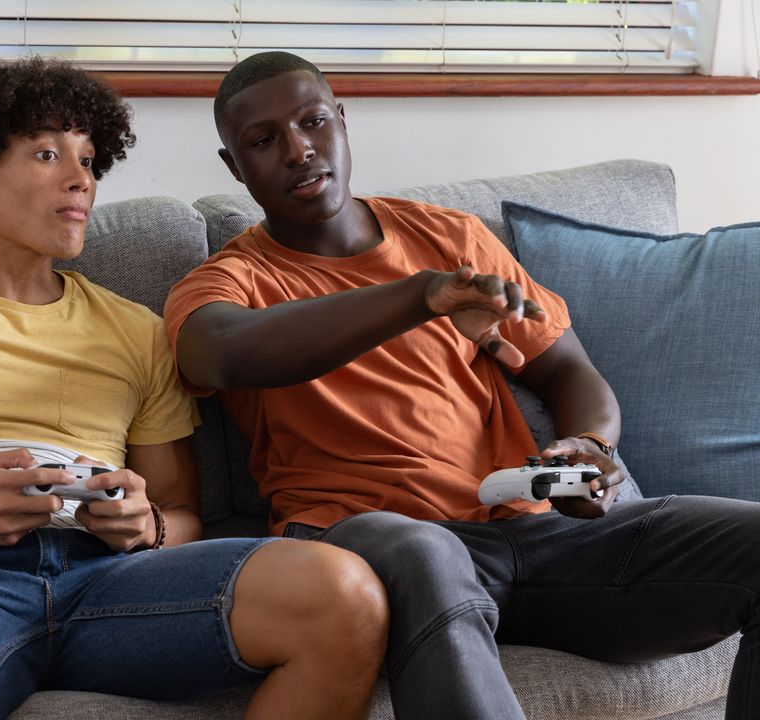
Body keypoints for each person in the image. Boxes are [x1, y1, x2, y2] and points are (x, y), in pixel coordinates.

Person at [0, 56, 389, 720]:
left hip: (114, 580)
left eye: (89, 160)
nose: (80, 179)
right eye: (45, 154)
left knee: (344, 593)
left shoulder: (136, 331)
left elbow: (180, 514)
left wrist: (141, 526)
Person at [165, 51, 760, 720]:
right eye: (264, 140)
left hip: (530, 531)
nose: (299, 149)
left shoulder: (451, 236)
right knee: (422, 549)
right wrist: (419, 296)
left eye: (313, 121)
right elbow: (224, 354)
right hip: (367, 543)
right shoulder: (227, 281)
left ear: (343, 121)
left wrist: (590, 447)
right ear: (233, 165)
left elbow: (568, 369)